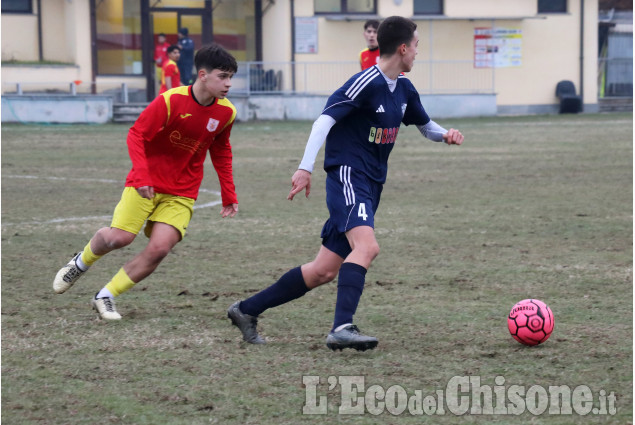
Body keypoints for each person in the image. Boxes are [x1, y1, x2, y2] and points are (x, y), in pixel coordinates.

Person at [228, 16, 464, 351]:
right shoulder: (365, 82)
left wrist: (446, 135)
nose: (417, 53)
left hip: (371, 184)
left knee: (322, 271)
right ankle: (341, 327)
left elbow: (426, 126)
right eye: (415, 46)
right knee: (366, 248)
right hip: (348, 177)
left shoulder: (405, 89)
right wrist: (304, 168)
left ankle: (245, 310)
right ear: (402, 48)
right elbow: (324, 121)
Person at [53, 43, 240, 320]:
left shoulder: (226, 113)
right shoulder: (170, 101)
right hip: (147, 183)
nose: (228, 84)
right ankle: (80, 262)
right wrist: (141, 175)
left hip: (183, 191)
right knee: (120, 238)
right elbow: (136, 134)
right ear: (203, 75)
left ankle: (105, 296)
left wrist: (229, 193)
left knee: (160, 248)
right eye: (222, 77)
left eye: (230, 78)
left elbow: (221, 150)